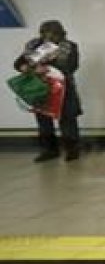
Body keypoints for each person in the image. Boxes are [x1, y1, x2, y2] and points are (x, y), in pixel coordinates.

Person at [13, 20, 83, 162]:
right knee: (44, 120)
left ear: (61, 34)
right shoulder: (34, 45)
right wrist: (28, 68)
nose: (50, 37)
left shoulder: (69, 47)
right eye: (46, 34)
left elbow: (72, 66)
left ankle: (72, 150)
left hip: (63, 88)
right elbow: (18, 63)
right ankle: (49, 150)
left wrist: (47, 68)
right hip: (39, 88)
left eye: (54, 35)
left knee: (67, 119)